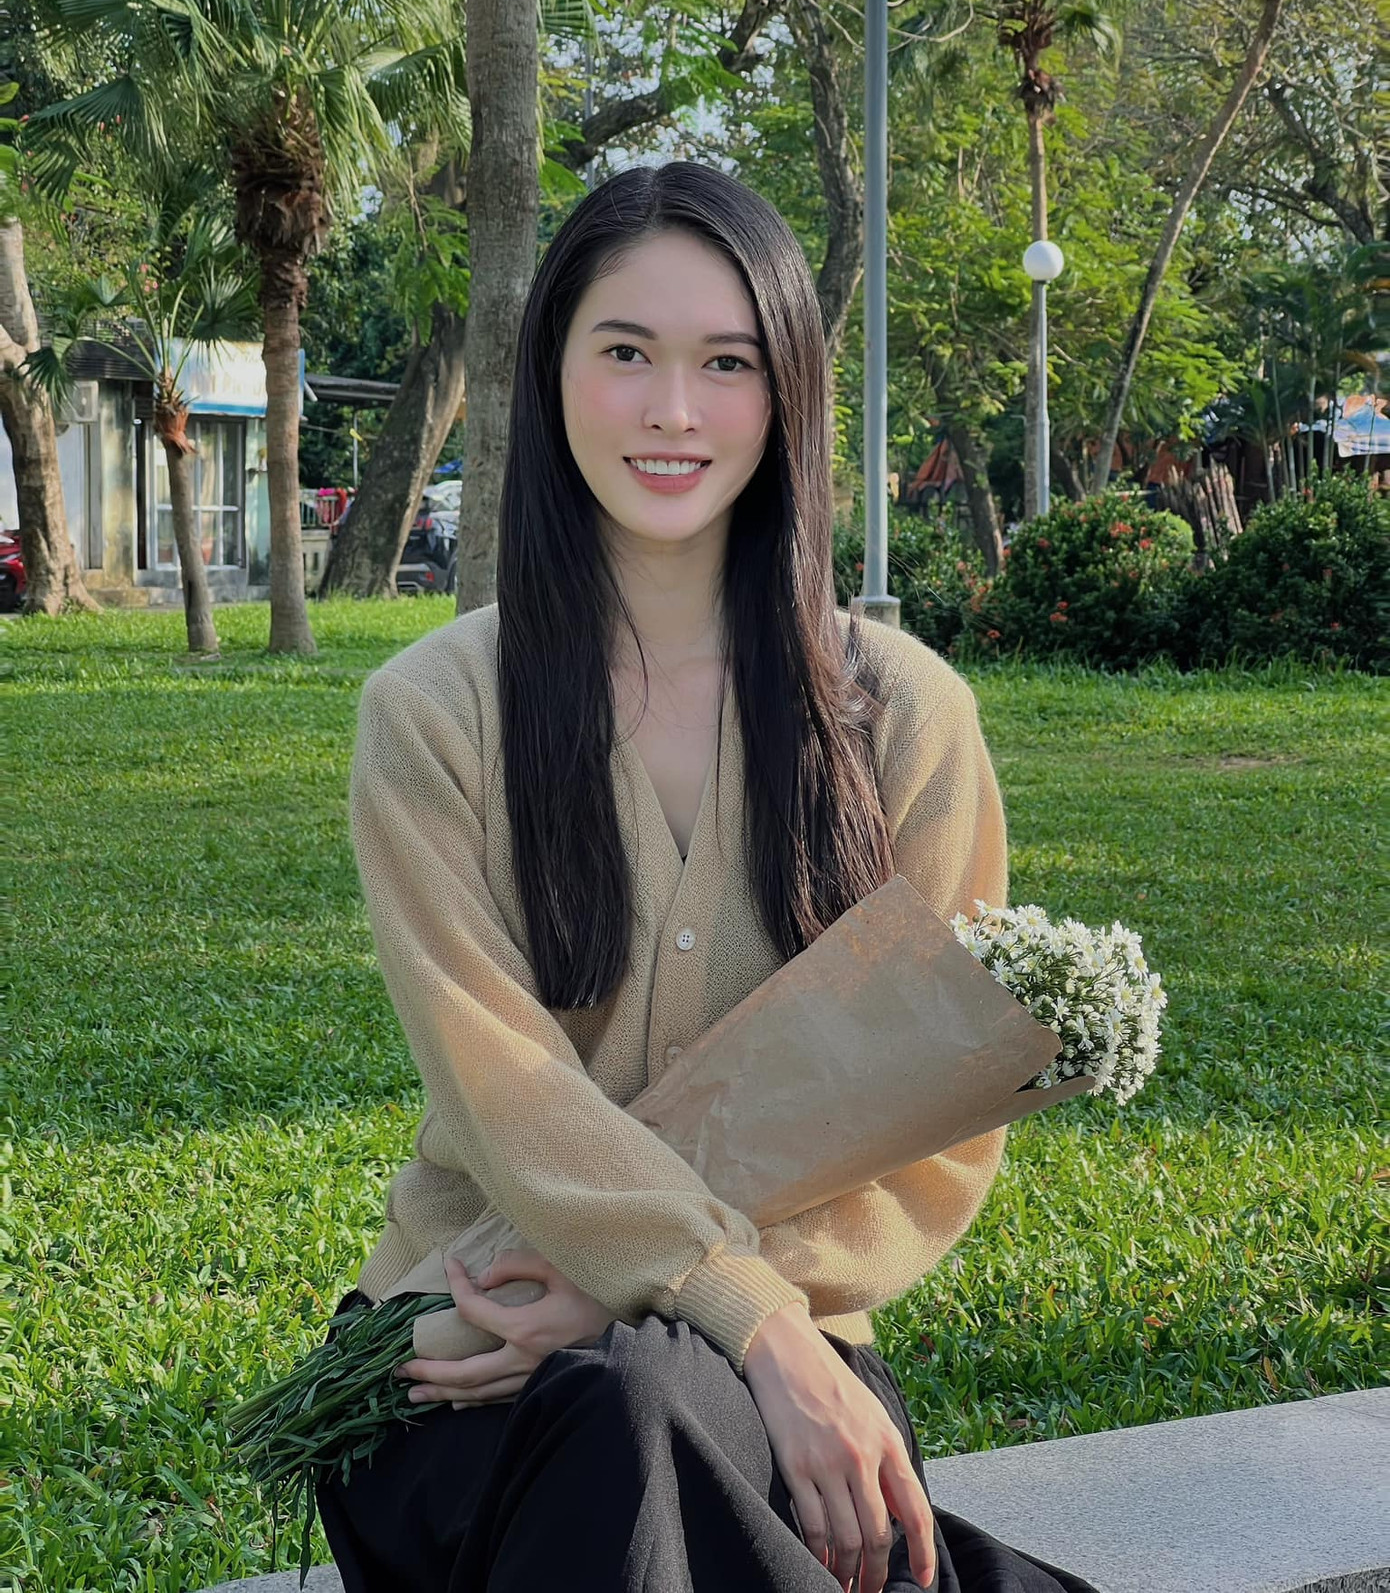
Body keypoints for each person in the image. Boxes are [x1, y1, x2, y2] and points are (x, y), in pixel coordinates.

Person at [317, 162, 1099, 1593]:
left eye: (726, 363)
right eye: (626, 352)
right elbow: (502, 1084)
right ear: (552, 373)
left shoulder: (905, 720)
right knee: (623, 1416)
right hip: (467, 1349)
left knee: (648, 1401)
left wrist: (700, 1310)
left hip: (775, 1370)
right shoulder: (434, 714)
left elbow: (932, 1127)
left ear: (786, 390)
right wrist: (712, 1300)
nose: (673, 410)